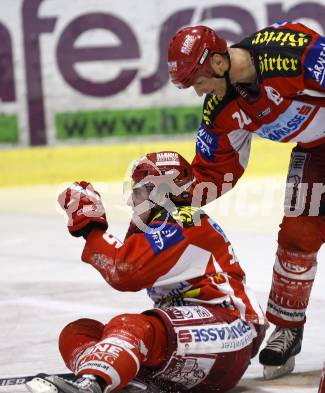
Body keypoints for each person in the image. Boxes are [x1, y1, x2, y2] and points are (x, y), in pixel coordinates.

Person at [167, 23, 325, 379]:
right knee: (297, 233)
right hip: (321, 143)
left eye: (198, 81)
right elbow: (215, 172)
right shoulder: (220, 110)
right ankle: (287, 328)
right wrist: (173, 201)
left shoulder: (286, 51)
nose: (199, 93)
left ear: (219, 64)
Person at [26, 151, 267, 393]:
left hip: (232, 329)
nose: (131, 201)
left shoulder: (185, 220)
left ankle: (92, 385)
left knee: (130, 326)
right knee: (78, 332)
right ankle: (116, 378)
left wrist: (91, 227)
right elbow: (128, 260)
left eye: (137, 191)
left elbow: (124, 271)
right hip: (199, 339)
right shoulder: (168, 222)